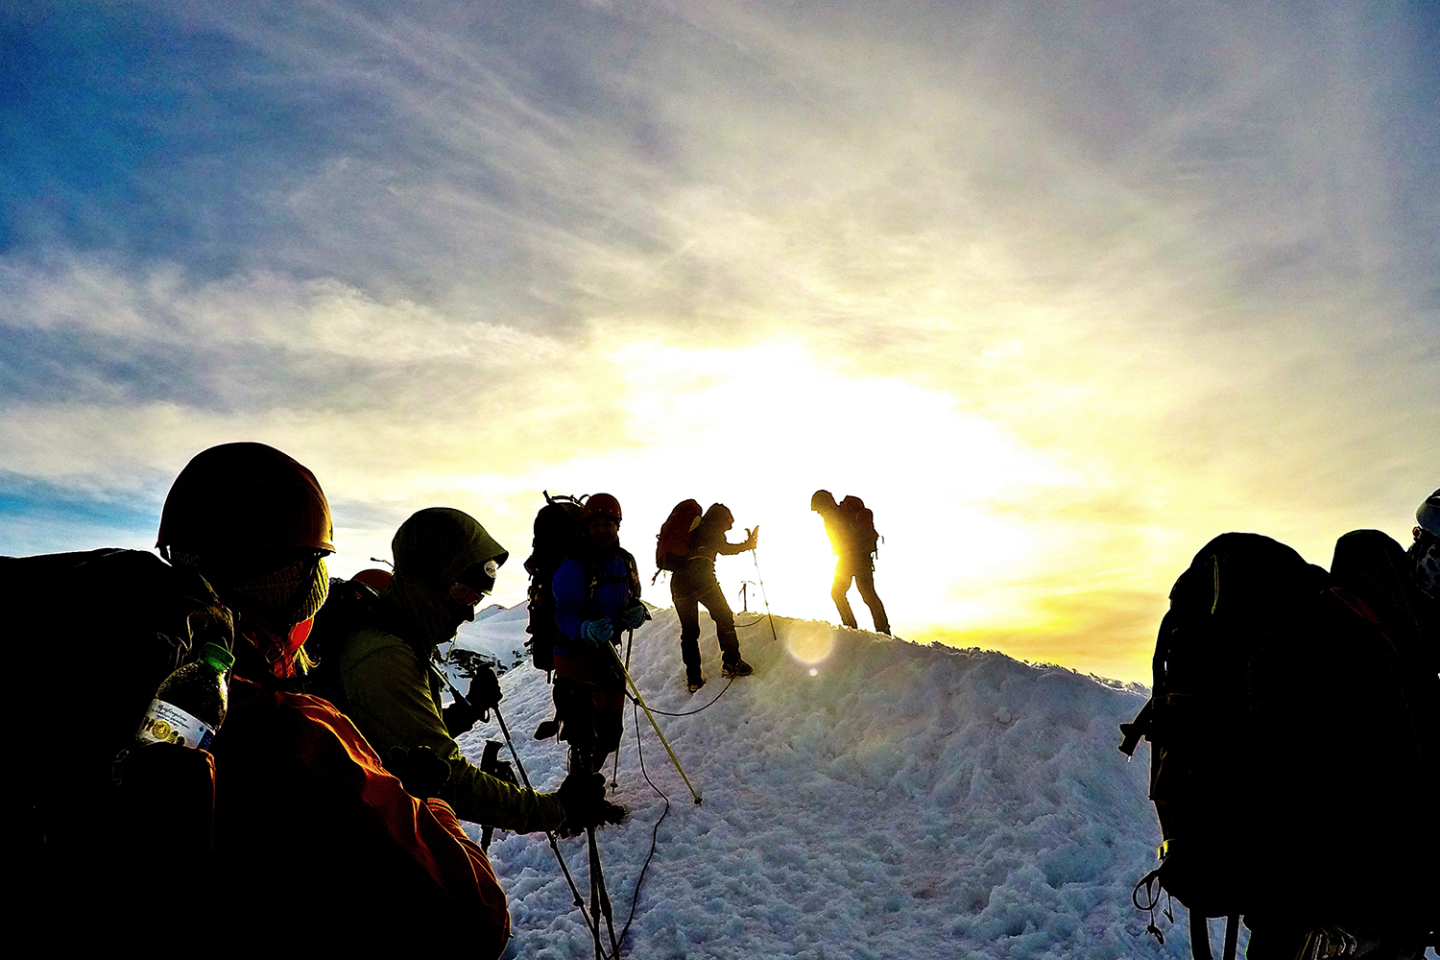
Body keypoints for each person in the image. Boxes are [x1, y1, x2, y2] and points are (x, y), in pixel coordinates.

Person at [9, 442, 509, 952]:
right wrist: (429, 806)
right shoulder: (294, 728)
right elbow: (479, 918)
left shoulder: (100, 674)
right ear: (292, 589)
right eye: (315, 582)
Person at [1242, 489, 1440, 960]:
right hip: (1323, 937)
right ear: (1427, 550)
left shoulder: (1408, 650)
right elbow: (1294, 787)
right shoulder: (1327, 629)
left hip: (1384, 930)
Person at [331, 506, 602, 835]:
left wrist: (469, 710)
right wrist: (556, 810)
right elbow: (448, 776)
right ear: (426, 582)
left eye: (477, 598)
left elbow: (406, 740)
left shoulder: (400, 640)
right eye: (462, 594)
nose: (470, 614)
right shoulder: (384, 657)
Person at [552, 493, 647, 782]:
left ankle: (587, 782)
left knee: (610, 731)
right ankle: (579, 794)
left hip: (607, 653)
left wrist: (636, 611)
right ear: (586, 527)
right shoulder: (573, 564)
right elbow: (563, 609)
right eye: (596, 524)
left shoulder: (625, 561)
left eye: (608, 523)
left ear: (617, 525)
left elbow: (633, 596)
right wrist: (583, 628)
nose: (602, 529)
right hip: (573, 654)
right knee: (583, 732)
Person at [670, 502, 757, 692]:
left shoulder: (693, 532)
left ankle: (693, 679)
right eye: (728, 522)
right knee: (724, 616)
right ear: (720, 519)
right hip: (701, 578)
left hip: (678, 582)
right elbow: (725, 549)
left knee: (690, 632)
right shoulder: (711, 529)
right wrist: (748, 545)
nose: (730, 526)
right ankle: (732, 663)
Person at [811, 490, 890, 635]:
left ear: (824, 504)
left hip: (849, 558)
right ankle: (883, 630)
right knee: (868, 595)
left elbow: (838, 540)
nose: (818, 513)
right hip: (862, 557)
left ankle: (851, 629)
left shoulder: (831, 516)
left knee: (838, 593)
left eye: (818, 509)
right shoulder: (841, 513)